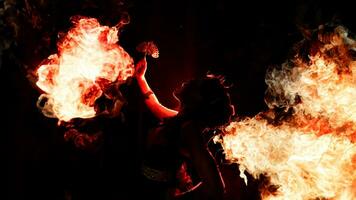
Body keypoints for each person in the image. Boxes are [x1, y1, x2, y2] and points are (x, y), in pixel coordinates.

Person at [135, 57, 235, 200]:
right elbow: (155, 106)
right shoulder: (180, 120)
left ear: (198, 100)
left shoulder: (190, 130)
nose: (190, 81)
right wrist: (141, 78)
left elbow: (216, 189)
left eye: (196, 84)